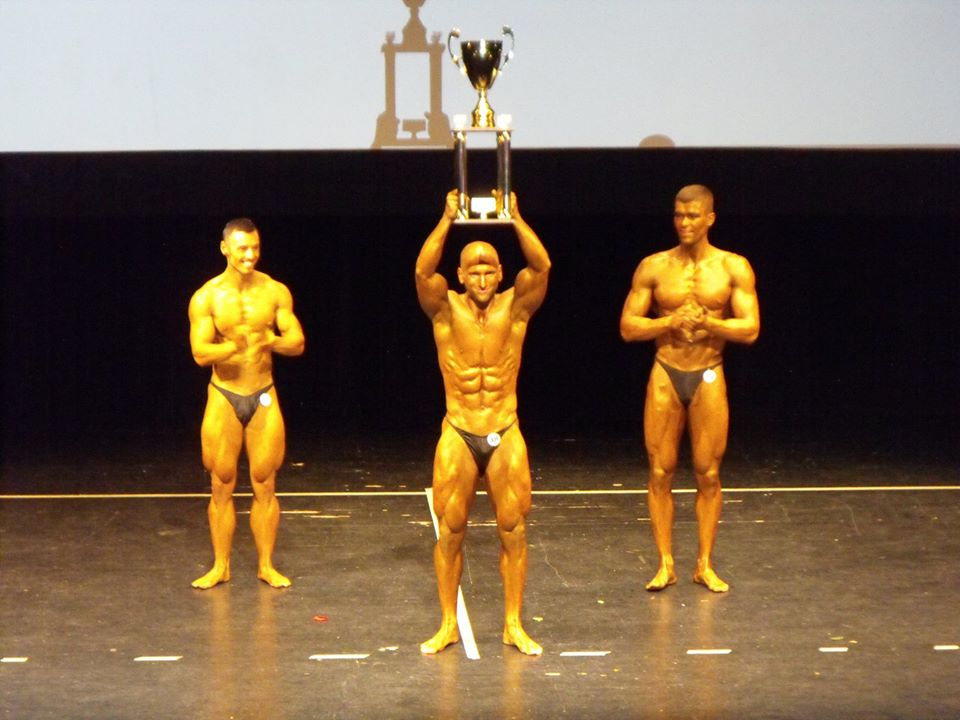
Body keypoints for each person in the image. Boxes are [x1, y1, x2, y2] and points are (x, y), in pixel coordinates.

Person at [415, 190, 550, 655]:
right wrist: (446, 218)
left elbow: (542, 267)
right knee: (450, 532)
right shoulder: (444, 309)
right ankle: (447, 624)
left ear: (500, 272)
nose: (482, 277)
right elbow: (422, 273)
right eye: (473, 270)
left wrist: (515, 217)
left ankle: (513, 624)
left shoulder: (516, 307)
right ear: (460, 275)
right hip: (458, 430)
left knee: (514, 530)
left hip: (504, 428)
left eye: (489, 269)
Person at [620, 185, 759, 593]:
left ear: (710, 218)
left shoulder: (733, 267)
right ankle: (665, 564)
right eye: (679, 215)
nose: (684, 222)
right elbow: (628, 326)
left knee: (708, 473)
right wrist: (669, 321)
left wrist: (709, 323)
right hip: (666, 371)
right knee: (659, 471)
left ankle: (704, 564)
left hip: (709, 372)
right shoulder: (654, 267)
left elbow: (750, 328)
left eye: (693, 215)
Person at [188, 218, 305, 589]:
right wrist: (231, 347)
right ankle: (220, 566)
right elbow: (199, 352)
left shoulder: (274, 291)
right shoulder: (207, 297)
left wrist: (270, 342)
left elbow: (297, 342)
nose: (250, 255)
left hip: (263, 394)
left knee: (265, 482)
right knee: (221, 483)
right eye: (242, 248)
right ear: (225, 249)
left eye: (255, 247)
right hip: (224, 394)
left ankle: (266, 565)